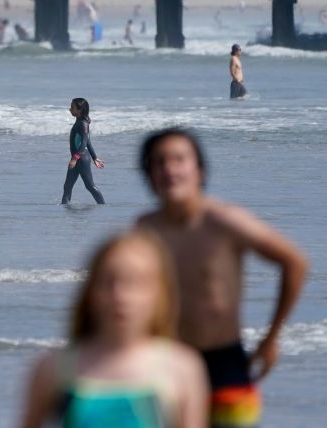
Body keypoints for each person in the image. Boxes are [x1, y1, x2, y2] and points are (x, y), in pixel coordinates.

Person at [135, 129, 308, 427]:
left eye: (179, 159)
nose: (169, 169)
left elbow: (294, 262)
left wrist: (271, 339)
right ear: (149, 176)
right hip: (168, 364)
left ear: (199, 170)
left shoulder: (223, 220)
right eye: (159, 162)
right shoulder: (145, 229)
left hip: (225, 364)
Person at [19, 230, 209, 428]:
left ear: (160, 292)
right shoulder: (53, 368)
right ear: (91, 291)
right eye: (108, 281)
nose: (120, 296)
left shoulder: (181, 369)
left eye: (136, 283)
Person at [61, 98, 106, 205]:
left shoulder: (83, 124)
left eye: (72, 107)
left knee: (89, 186)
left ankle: (103, 206)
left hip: (81, 159)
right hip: (77, 158)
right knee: (67, 186)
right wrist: (95, 157)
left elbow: (84, 142)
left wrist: (75, 158)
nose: (70, 109)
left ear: (80, 110)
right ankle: (64, 208)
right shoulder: (79, 121)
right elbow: (88, 142)